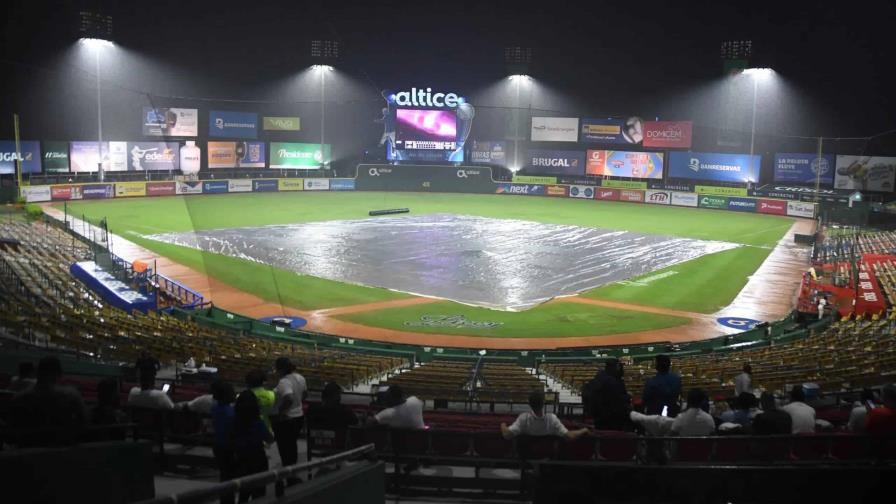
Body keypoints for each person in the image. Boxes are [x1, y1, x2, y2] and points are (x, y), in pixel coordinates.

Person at [9, 356, 86, 445]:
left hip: (27, 449)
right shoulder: (72, 395)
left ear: (37, 372)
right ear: (59, 374)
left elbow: (12, 432)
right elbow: (84, 423)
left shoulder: (19, 398)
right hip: (62, 449)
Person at [232, 390, 274, 502]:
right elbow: (269, 438)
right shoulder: (257, 422)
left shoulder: (234, 420)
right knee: (259, 491)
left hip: (241, 457)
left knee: (243, 491)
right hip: (257, 458)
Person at [270, 357, 307, 485]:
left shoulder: (284, 382)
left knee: (285, 449)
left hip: (287, 420)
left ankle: (290, 476)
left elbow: (289, 398)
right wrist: (299, 402)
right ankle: (292, 473)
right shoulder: (300, 377)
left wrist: (281, 412)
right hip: (299, 416)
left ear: (279, 369)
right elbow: (305, 394)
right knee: (292, 446)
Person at [502, 391, 590, 440]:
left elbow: (506, 435)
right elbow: (570, 436)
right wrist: (584, 430)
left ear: (529, 404)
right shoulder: (552, 419)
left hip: (527, 455)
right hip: (548, 455)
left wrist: (503, 425)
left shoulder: (523, 418)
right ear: (543, 403)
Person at [581, 359, 630, 430]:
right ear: (616, 367)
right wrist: (628, 397)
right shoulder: (612, 381)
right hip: (612, 418)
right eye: (619, 367)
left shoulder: (599, 378)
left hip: (599, 418)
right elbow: (618, 400)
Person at [211, 382, 237, 504]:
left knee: (225, 475)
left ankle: (225, 500)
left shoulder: (216, 408)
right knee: (229, 477)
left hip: (218, 445)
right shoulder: (230, 413)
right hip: (228, 447)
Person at [245, 369, 275, 434]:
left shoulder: (244, 396)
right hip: (267, 430)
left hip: (248, 431)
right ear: (264, 382)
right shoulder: (272, 395)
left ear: (247, 382)